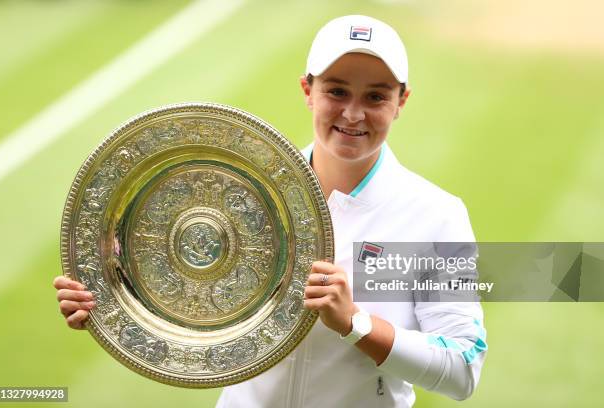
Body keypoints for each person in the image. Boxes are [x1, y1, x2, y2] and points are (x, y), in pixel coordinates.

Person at [54, 15, 487, 408]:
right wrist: (108, 300)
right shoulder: (245, 192)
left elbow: (463, 370)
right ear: (307, 91)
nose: (353, 114)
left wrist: (356, 324)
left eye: (375, 96)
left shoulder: (436, 215)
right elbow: (191, 291)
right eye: (336, 91)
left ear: (401, 102)